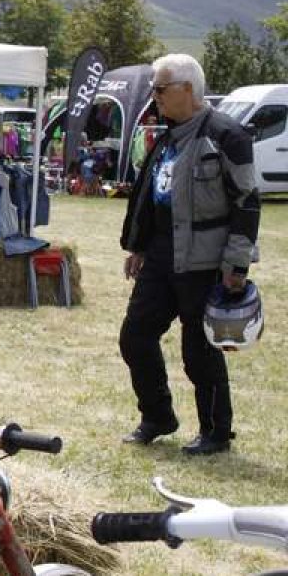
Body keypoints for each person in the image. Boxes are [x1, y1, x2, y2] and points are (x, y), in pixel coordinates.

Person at [118, 54, 259, 456]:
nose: (154, 97)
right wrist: (140, 246)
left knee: (199, 351)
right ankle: (157, 416)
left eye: (160, 89)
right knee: (135, 336)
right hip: (162, 254)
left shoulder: (227, 135)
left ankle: (216, 432)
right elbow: (152, 197)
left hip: (206, 260)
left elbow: (247, 202)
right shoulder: (167, 136)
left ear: (186, 90)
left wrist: (236, 264)